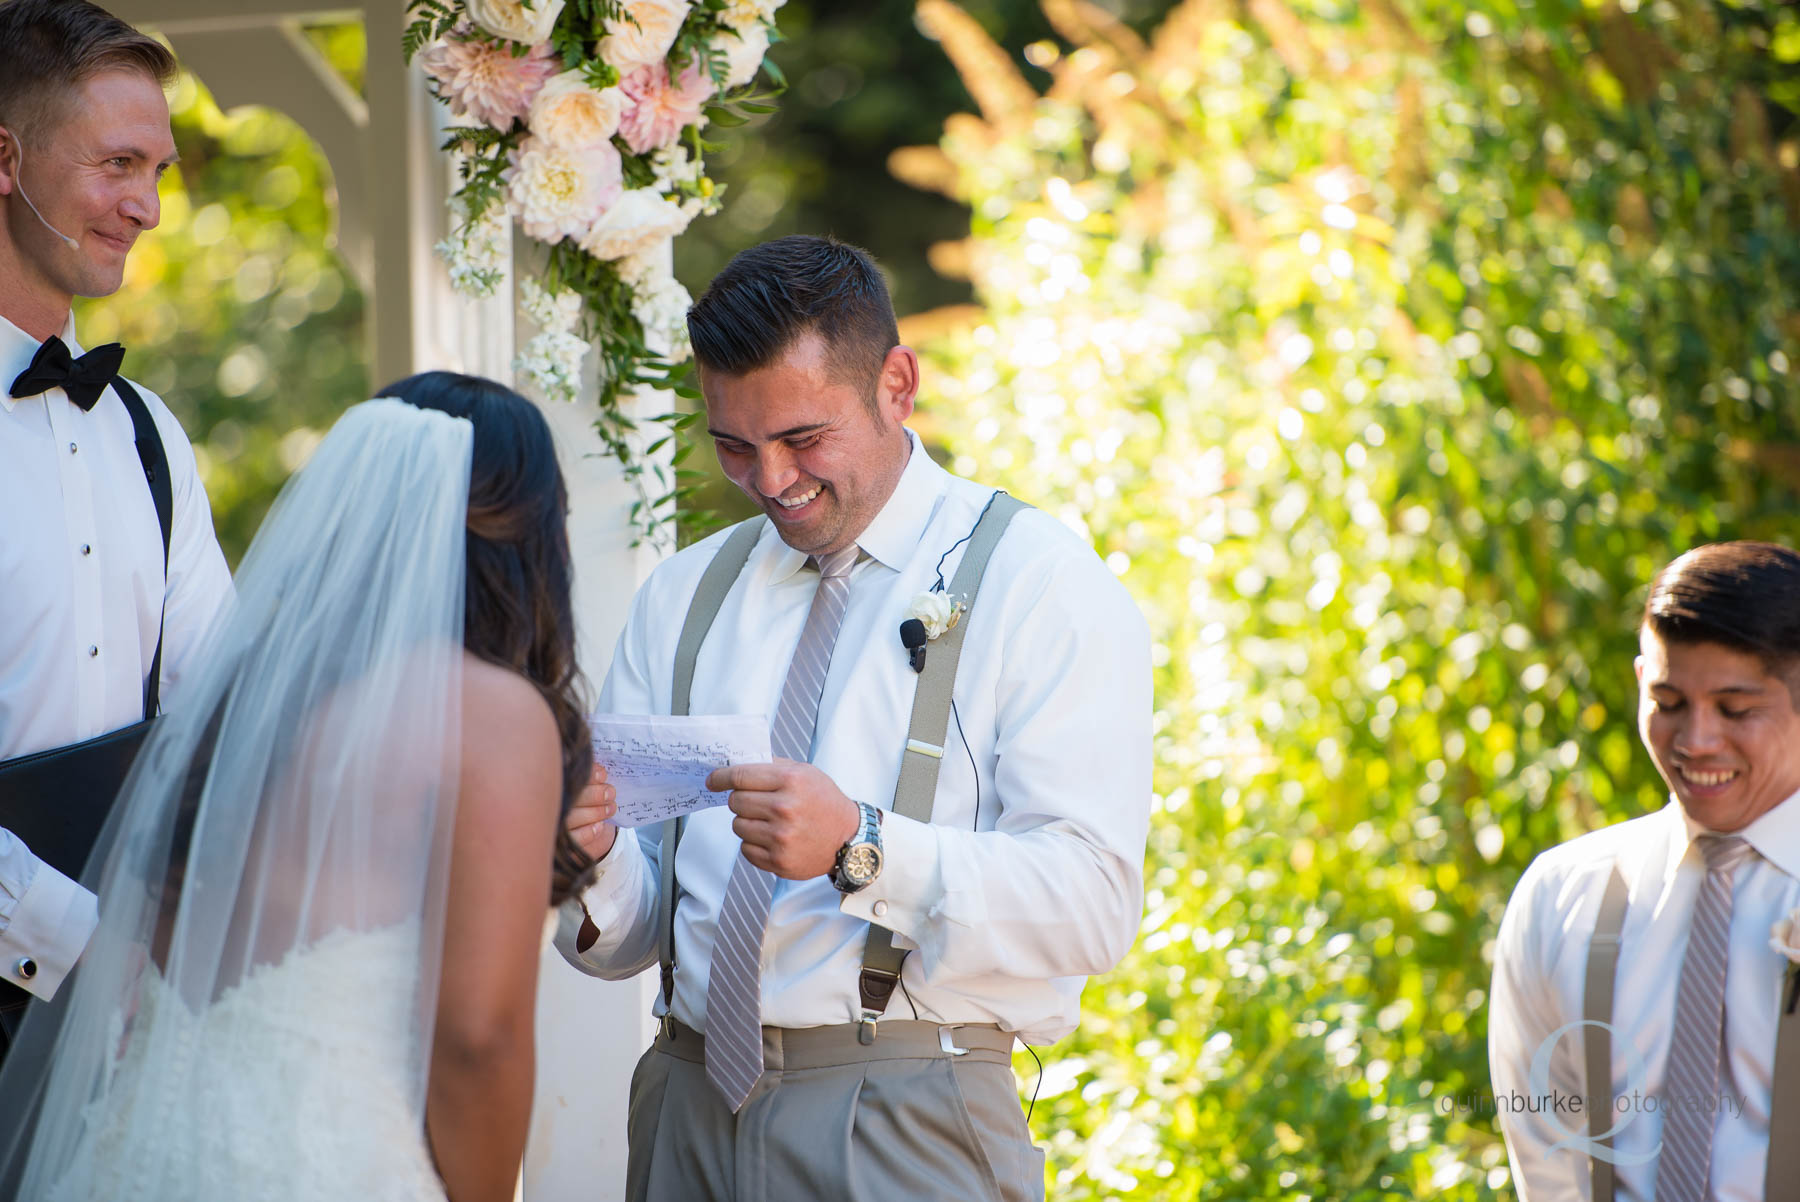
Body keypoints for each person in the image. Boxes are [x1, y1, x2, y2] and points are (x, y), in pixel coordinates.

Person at [553, 234, 1152, 1202]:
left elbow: (1092, 907)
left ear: (897, 384)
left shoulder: (1041, 584)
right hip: (683, 1109)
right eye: (735, 447)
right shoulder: (680, 597)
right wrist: (588, 855)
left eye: (804, 437)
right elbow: (635, 933)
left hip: (910, 1121)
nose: (772, 480)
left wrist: (862, 846)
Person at [0, 372, 597, 1202]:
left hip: (139, 1154)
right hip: (328, 1163)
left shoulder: (242, 698)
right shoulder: (493, 715)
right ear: (528, 532)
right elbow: (477, 1039)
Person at [0, 0, 231, 1048]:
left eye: (158, 173)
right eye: (117, 165)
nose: (144, 206)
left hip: (126, 1001)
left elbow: (223, 705)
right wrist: (74, 939)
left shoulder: (152, 436)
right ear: (5, 158)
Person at [1489, 541, 1800, 1201]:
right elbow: (1548, 1169)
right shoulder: (1560, 897)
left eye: (1735, 709)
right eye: (1668, 702)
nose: (1696, 741)